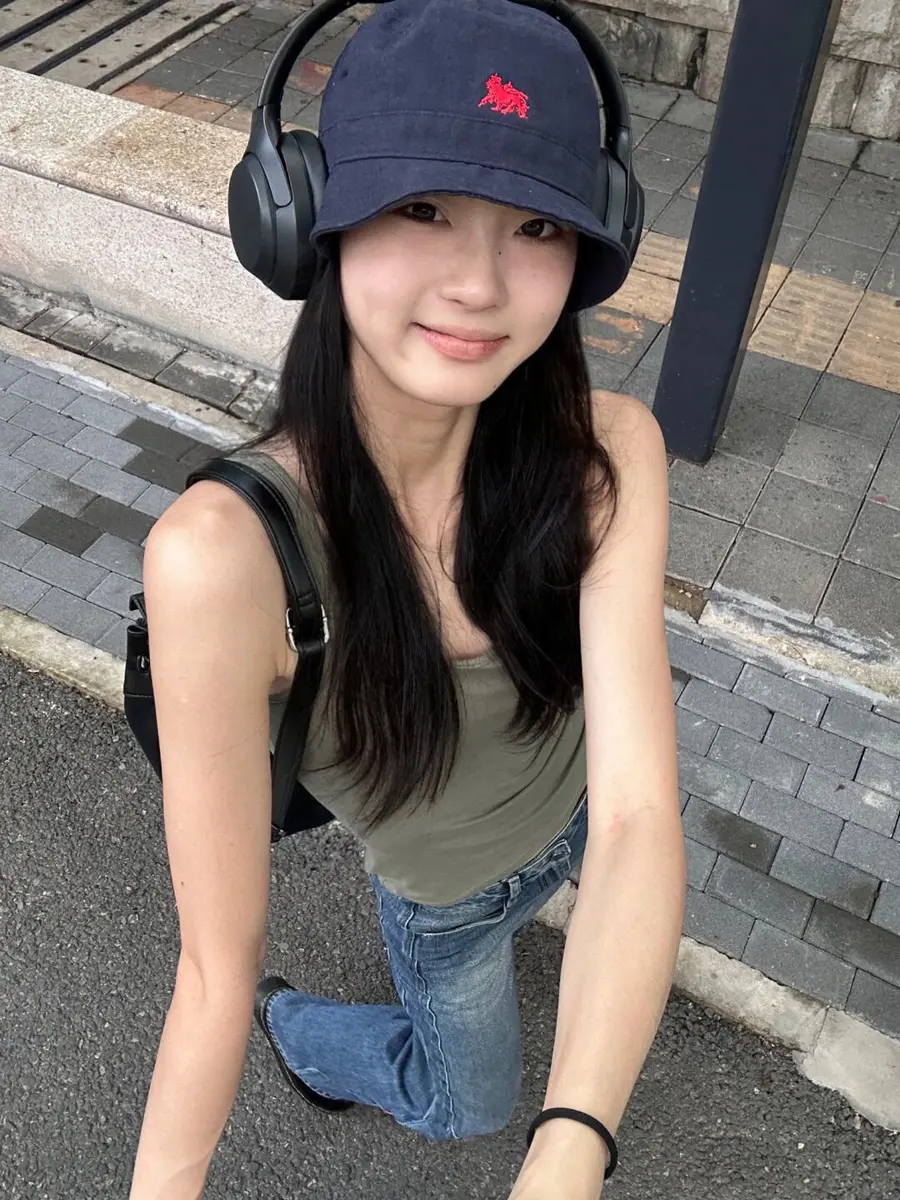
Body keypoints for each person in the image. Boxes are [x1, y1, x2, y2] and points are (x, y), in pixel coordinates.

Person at [128, 0, 686, 1196]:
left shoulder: (605, 456)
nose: (480, 282)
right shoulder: (224, 558)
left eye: (537, 225)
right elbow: (212, 970)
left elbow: (640, 816)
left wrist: (573, 1149)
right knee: (464, 1102)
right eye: (424, 207)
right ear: (303, 220)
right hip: (450, 905)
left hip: (579, 821)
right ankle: (308, 1031)